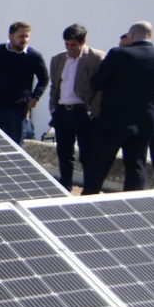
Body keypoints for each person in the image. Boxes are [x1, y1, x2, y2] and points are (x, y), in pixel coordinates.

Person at [81, 20, 154, 194]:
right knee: (136, 165)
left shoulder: (118, 54)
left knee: (100, 163)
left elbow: (97, 83)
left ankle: (88, 198)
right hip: (144, 122)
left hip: (113, 121)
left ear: (131, 35)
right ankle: (133, 201)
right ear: (151, 36)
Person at [48, 24, 105, 189]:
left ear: (83, 42)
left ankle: (89, 189)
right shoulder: (58, 59)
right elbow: (55, 85)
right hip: (62, 111)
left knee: (87, 153)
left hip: (84, 112)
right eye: (67, 44)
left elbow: (102, 89)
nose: (69, 48)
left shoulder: (96, 58)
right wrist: (53, 108)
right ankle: (65, 186)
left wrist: (93, 111)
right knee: (64, 152)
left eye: (73, 45)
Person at [0, 21, 48, 144]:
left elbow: (44, 78)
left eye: (27, 36)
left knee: (14, 145)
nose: (24, 40)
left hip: (17, 110)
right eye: (21, 36)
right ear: (10, 36)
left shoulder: (34, 56)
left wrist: (35, 97)